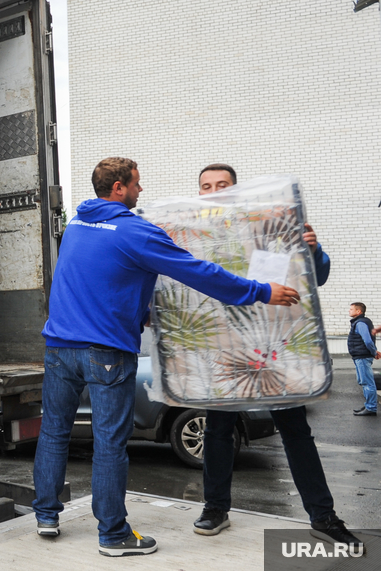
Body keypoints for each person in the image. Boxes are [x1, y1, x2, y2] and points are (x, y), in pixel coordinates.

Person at [32, 157, 300, 557]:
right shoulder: (134, 231)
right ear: (119, 188)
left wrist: (142, 314)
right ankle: (113, 535)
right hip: (105, 352)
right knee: (109, 444)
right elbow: (198, 271)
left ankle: (47, 516)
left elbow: (100, 279)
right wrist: (260, 291)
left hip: (59, 347)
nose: (141, 191)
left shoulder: (76, 224)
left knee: (53, 433)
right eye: (136, 184)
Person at [194, 164, 362, 548]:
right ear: (198, 193)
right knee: (218, 432)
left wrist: (314, 251)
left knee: (296, 432)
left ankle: (323, 516)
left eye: (222, 185)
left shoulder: (266, 226)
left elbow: (313, 277)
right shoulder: (192, 236)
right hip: (224, 350)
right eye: (206, 186)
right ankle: (215, 508)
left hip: (274, 348)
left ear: (237, 190)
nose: (214, 190)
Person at [348, 302, 379, 417]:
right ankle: (368, 405)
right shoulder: (359, 322)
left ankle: (371, 407)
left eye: (351, 309)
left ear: (358, 311)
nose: (349, 311)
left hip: (362, 357)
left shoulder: (360, 323)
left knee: (367, 382)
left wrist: (374, 352)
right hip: (359, 356)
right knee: (363, 381)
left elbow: (367, 340)